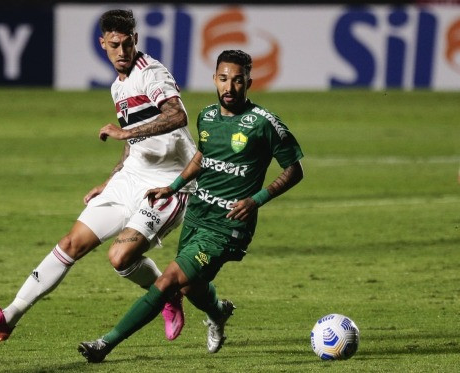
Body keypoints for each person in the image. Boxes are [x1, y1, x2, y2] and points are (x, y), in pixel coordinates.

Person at [0, 9, 196, 342]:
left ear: (136, 40)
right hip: (131, 177)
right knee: (70, 244)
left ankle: (168, 293)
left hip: (169, 182)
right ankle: (8, 317)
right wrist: (112, 177)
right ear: (103, 43)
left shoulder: (151, 73)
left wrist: (123, 133)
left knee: (120, 258)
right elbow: (133, 139)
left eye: (127, 44)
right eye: (114, 45)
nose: (122, 52)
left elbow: (178, 116)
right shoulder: (118, 87)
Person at [77, 49, 304, 363]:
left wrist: (256, 200)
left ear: (249, 82)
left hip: (227, 225)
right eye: (223, 79)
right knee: (189, 286)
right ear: (214, 78)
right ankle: (218, 311)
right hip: (198, 213)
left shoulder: (264, 124)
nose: (230, 87)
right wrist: (171, 188)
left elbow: (294, 169)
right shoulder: (207, 115)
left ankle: (106, 344)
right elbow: (202, 157)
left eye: (238, 81)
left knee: (169, 280)